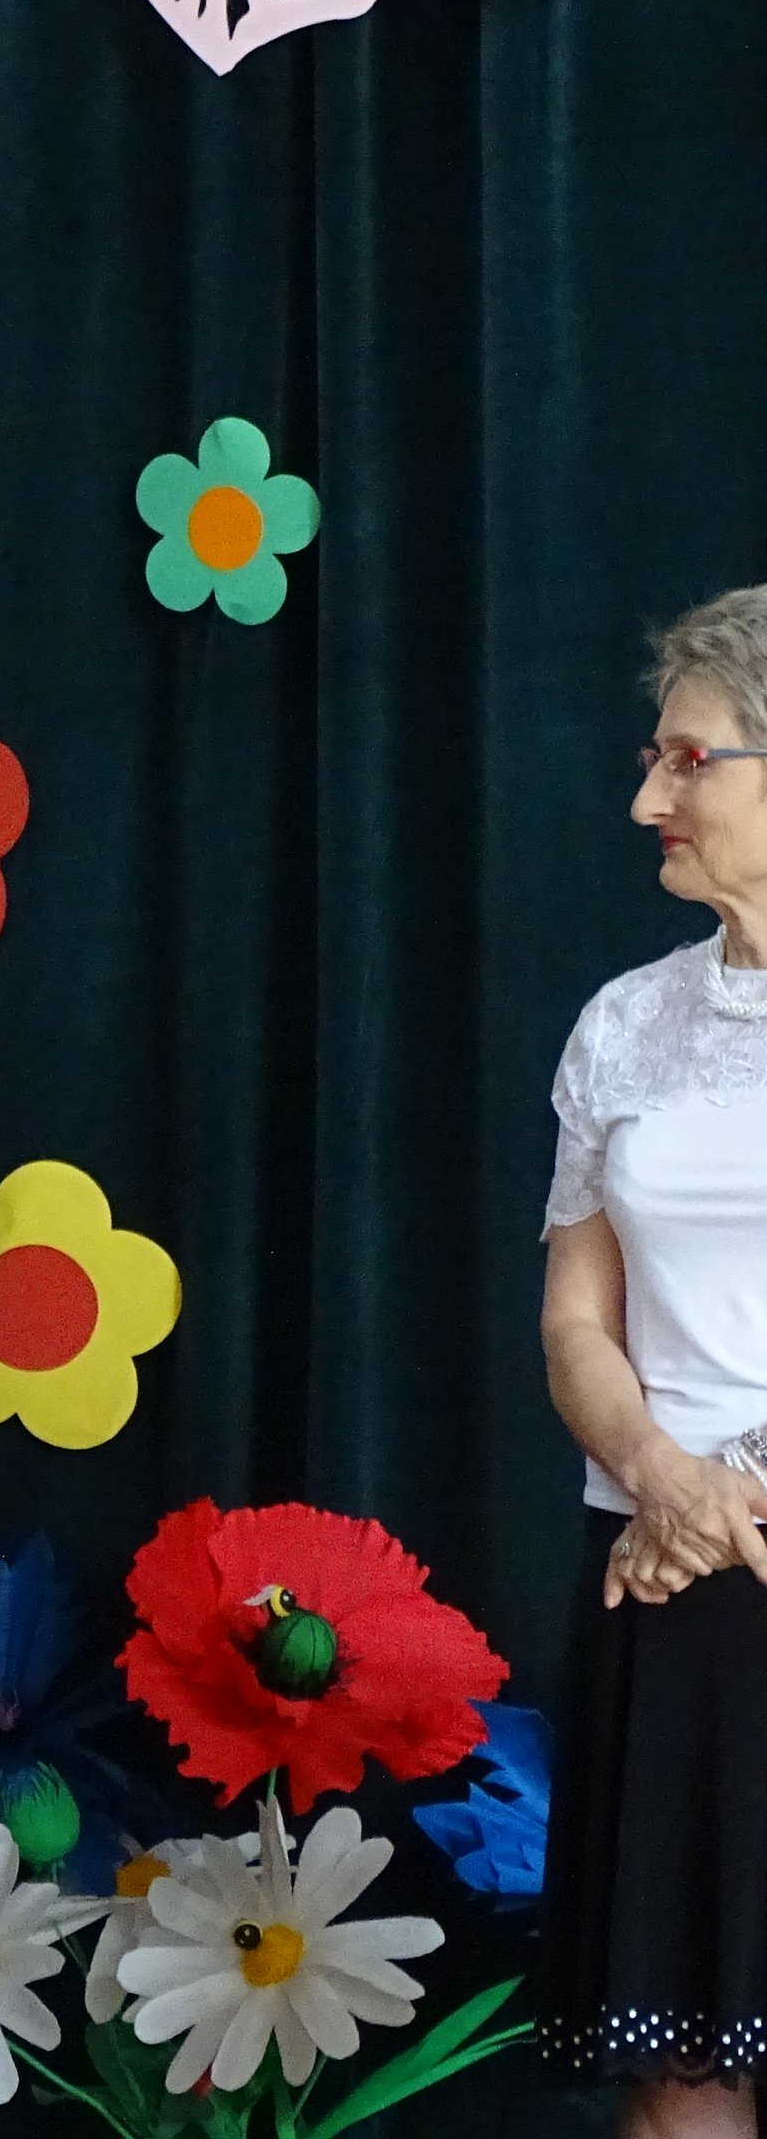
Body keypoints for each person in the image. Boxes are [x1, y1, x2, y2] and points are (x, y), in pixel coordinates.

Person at [538, 583, 767, 2136]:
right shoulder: (624, 1023)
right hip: (662, 1580)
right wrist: (660, 1478)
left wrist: (726, 1493)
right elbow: (576, 1320)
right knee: (680, 2080)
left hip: (704, 1538)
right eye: (652, 760)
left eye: (689, 761)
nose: (647, 803)